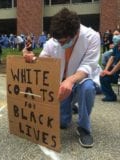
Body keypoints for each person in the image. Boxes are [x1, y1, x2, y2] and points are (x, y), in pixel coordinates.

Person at [23, 8, 101, 148]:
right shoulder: (54, 41)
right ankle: (71, 108)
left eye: (64, 41)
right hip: (61, 82)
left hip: (81, 80)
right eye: (58, 41)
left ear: (76, 33)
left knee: (87, 88)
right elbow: (43, 61)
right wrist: (30, 57)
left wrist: (70, 80)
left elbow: (88, 66)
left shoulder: (92, 37)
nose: (60, 44)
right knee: (62, 123)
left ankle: (84, 128)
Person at [100, 37, 120, 102]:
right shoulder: (116, 47)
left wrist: (111, 72)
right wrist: (105, 70)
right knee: (103, 77)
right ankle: (110, 96)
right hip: (117, 72)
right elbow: (112, 58)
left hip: (117, 71)